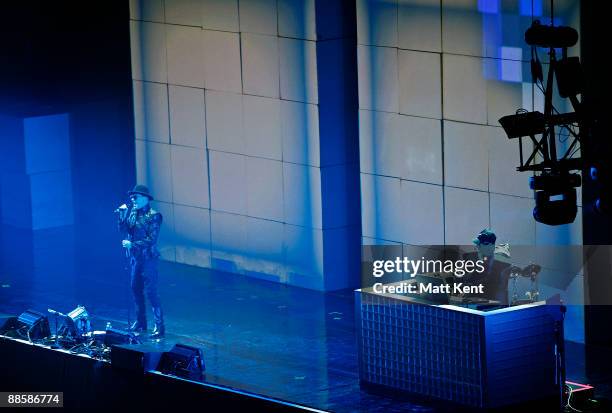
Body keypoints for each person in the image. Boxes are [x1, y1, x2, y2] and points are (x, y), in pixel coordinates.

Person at [117, 184, 165, 338]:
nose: (133, 200)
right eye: (132, 198)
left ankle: (159, 326)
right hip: (136, 259)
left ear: (145, 198)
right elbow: (124, 230)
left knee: (151, 292)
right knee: (135, 288)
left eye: (135, 197)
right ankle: (140, 322)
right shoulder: (133, 213)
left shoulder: (154, 215)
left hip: (149, 259)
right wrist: (122, 215)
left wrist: (132, 244)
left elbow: (152, 239)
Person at [463, 229, 512, 305]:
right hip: (475, 302)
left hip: (492, 304)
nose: (478, 247)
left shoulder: (503, 265)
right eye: (478, 244)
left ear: (491, 246)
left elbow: (491, 283)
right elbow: (466, 280)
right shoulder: (473, 261)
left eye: (482, 244)